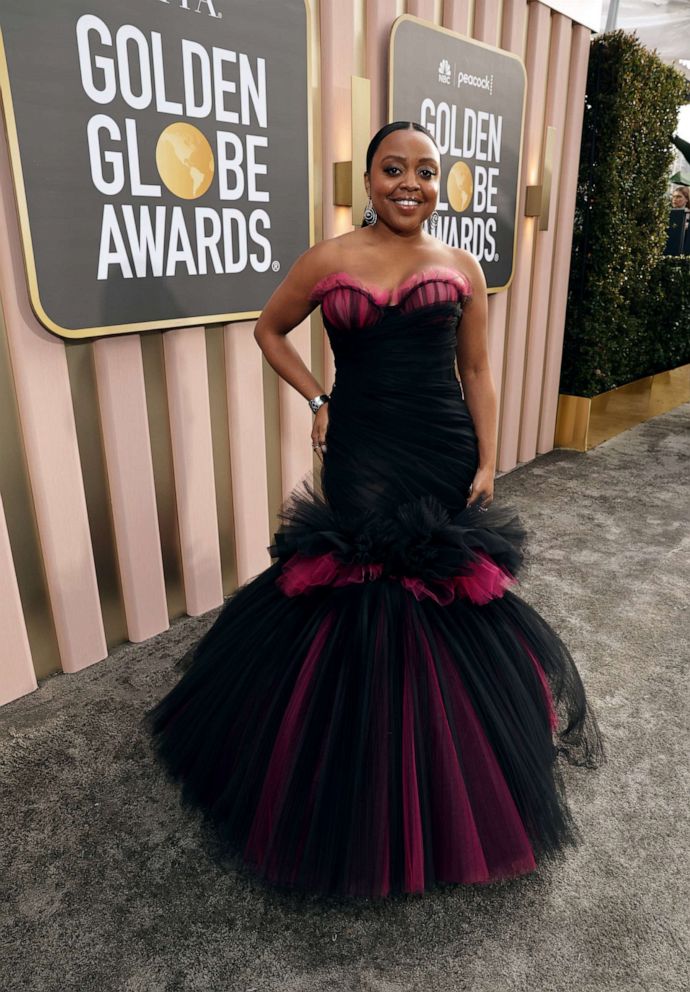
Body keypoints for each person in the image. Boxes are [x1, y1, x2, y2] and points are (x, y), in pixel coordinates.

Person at [145, 121, 605, 900]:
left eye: (426, 172)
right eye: (394, 169)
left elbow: (479, 368)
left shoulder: (460, 266)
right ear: (368, 179)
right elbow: (268, 329)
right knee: (358, 589)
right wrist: (319, 397)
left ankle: (448, 776)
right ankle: (356, 773)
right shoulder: (330, 259)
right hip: (361, 442)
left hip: (441, 442)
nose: (410, 184)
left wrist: (489, 459)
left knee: (442, 592)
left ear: (438, 184)